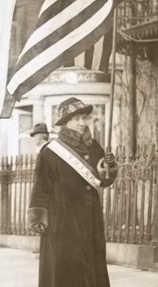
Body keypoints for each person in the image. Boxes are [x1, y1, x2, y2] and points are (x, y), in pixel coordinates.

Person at [28, 97, 119, 287]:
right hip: (62, 220)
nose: (81, 123)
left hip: (90, 218)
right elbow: (40, 188)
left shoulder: (94, 147)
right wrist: (38, 216)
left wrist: (109, 168)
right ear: (65, 122)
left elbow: (103, 181)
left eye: (84, 118)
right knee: (65, 270)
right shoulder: (51, 151)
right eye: (76, 119)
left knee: (90, 267)